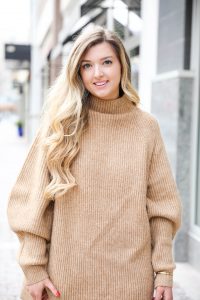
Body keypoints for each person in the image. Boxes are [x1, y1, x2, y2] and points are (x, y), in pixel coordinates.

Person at [7, 25, 182, 300]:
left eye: (106, 62)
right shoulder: (60, 125)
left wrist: (164, 272)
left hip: (130, 282)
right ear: (78, 72)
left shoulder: (146, 128)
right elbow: (30, 202)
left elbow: (162, 208)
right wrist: (34, 269)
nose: (97, 73)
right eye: (87, 66)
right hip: (63, 281)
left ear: (122, 65)